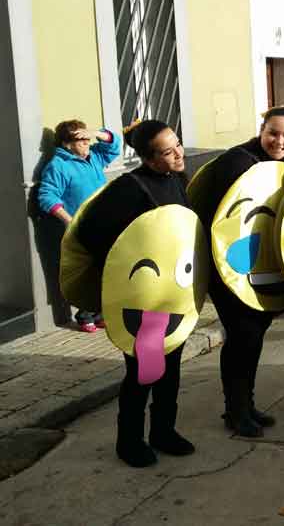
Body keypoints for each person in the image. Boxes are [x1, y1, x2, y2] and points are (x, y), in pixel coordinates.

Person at [76, 120, 195, 467]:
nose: (178, 153)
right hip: (143, 303)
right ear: (148, 158)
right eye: (168, 151)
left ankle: (163, 431)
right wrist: (127, 268)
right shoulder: (129, 188)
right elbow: (89, 232)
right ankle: (129, 442)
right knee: (144, 373)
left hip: (173, 297)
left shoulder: (176, 180)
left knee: (170, 369)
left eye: (178, 144)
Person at [192, 107, 284, 438]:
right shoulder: (236, 162)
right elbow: (210, 214)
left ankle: (245, 404)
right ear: (262, 129)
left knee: (253, 337)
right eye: (274, 133)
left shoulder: (282, 167)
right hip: (229, 269)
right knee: (242, 337)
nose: (279, 141)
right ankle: (235, 410)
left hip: (263, 266)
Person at [37, 119, 122, 332]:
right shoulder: (59, 165)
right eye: (80, 139)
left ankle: (100, 312)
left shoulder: (94, 157)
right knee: (87, 272)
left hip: (103, 222)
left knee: (105, 268)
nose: (86, 142)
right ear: (66, 144)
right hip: (81, 227)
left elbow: (114, 147)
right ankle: (84, 316)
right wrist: (69, 220)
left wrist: (95, 132)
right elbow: (47, 196)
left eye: (87, 138)